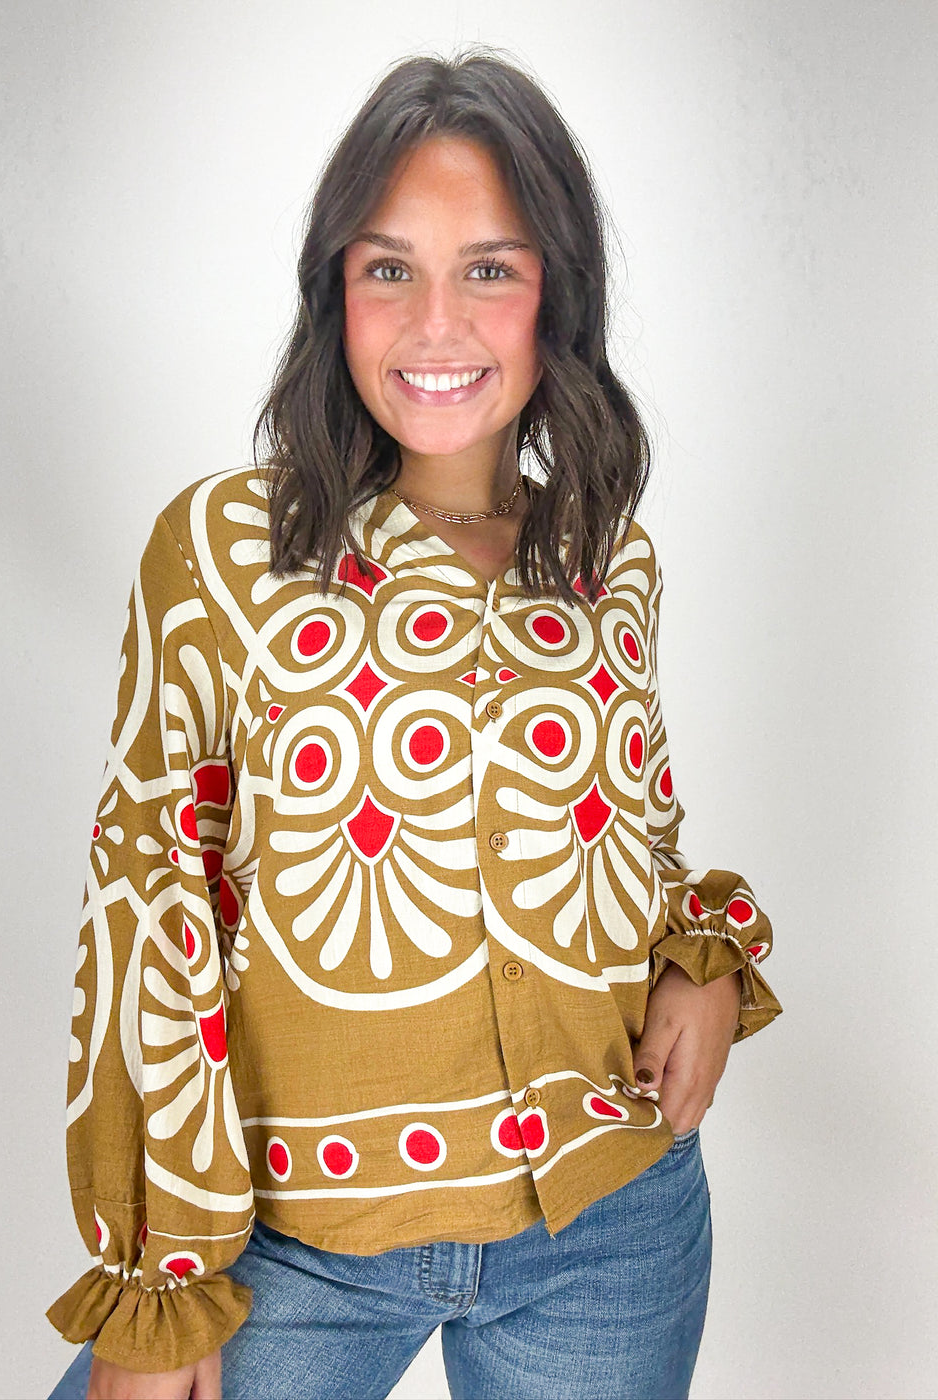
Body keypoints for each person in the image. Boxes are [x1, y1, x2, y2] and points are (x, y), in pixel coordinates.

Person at [45, 46, 782, 1400]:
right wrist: (171, 1281)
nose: (435, 322)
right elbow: (150, 905)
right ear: (336, 289)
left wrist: (704, 961)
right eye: (389, 267)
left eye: (489, 269)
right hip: (296, 1251)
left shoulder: (610, 560)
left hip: (609, 1231)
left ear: (555, 293)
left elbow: (640, 835)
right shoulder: (222, 555)